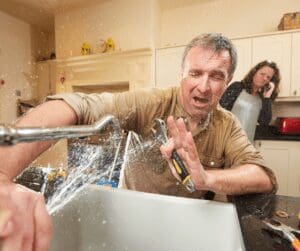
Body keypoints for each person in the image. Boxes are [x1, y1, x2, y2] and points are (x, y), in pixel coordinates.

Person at [0, 33, 277, 251]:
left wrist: (206, 178)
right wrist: (1, 174)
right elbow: (78, 105)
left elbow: (262, 176)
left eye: (216, 76)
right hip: (130, 217)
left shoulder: (227, 125)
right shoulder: (152, 103)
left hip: (186, 224)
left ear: (227, 82)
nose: (203, 87)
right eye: (195, 73)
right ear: (182, 74)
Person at [219, 60, 280, 141]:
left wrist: (267, 96)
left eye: (268, 77)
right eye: (262, 74)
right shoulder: (237, 87)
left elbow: (264, 122)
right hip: (226, 141)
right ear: (254, 72)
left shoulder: (262, 99)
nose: (265, 78)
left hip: (247, 144)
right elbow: (219, 112)